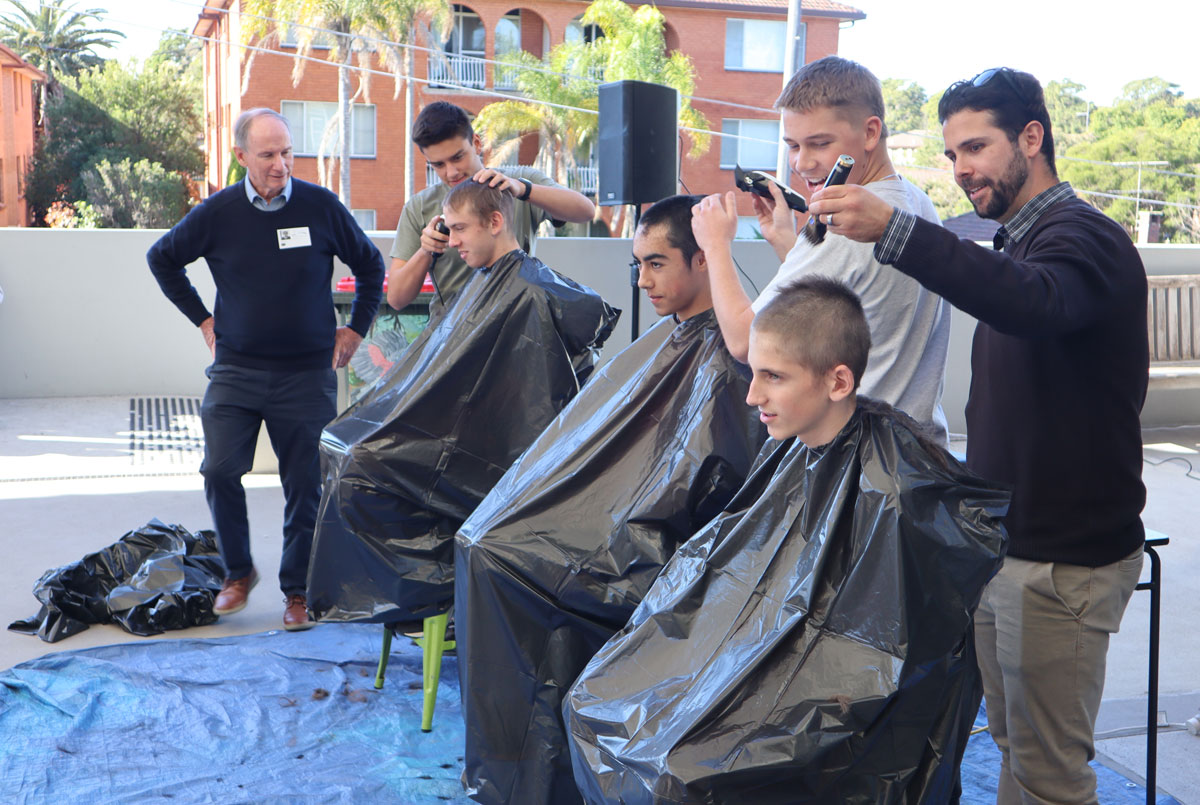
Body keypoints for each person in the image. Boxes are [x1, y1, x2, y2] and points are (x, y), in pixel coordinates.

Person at [807, 67, 1148, 804]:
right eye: (953, 154)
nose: (962, 170)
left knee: (1049, 772)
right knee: (1017, 752)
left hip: (1065, 563)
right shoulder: (1013, 244)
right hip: (1009, 547)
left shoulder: (1084, 238)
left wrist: (899, 231)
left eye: (977, 148)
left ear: (1032, 137)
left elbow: (1035, 303)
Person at [564, 277, 1009, 803]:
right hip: (762, 670)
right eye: (754, 373)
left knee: (677, 771)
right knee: (589, 703)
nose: (753, 396)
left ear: (838, 381)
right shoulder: (792, 448)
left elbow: (876, 661)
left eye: (773, 377)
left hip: (838, 713)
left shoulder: (894, 494)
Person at [455, 195, 765, 805]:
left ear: (705, 262)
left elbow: (693, 489)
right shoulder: (673, 342)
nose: (642, 280)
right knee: (480, 543)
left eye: (656, 264)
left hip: (657, 549)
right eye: (637, 264)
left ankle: (542, 778)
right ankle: (524, 772)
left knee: (503, 563)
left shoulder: (725, 364)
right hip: (616, 523)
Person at [305, 180, 616, 625]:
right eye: (447, 230)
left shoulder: (529, 288)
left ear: (495, 222)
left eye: (459, 230)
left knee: (360, 464)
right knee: (340, 444)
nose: (452, 242)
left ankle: (437, 595)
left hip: (488, 454)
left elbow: (584, 319)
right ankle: (431, 597)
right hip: (464, 435)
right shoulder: (483, 283)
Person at [146, 108, 385, 631]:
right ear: (241, 157)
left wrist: (356, 329)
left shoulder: (321, 207)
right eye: (268, 155)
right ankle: (237, 573)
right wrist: (203, 319)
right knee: (219, 470)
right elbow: (162, 258)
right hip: (236, 369)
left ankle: (297, 592)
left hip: (306, 375)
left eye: (287, 152)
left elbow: (370, 265)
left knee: (304, 486)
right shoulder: (218, 213)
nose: (281, 165)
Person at [691, 56, 951, 443]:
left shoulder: (843, 226)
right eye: (792, 146)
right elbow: (843, 293)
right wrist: (788, 242)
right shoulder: (916, 201)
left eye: (819, 144)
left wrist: (715, 246)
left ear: (870, 133)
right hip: (916, 451)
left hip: (861, 463)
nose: (801, 162)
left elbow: (747, 343)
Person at [386, 101, 595, 310]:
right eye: (438, 165)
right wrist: (425, 251)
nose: (451, 172)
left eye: (458, 157)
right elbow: (396, 299)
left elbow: (585, 210)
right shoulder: (419, 207)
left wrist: (523, 190)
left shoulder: (520, 182)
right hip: (454, 337)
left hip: (519, 327)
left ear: (477, 143)